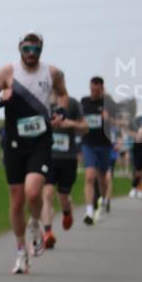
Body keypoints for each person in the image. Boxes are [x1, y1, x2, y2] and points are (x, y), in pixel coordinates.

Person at [0, 32, 68, 275]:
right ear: (20, 48)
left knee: (32, 191)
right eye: (27, 48)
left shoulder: (52, 73)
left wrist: (61, 111)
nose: (31, 53)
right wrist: (0, 99)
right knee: (17, 200)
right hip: (14, 142)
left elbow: (63, 93)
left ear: (41, 50)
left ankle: (37, 224)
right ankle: (21, 251)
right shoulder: (8, 72)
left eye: (36, 49)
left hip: (40, 140)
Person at [41, 93, 87, 249]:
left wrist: (72, 124)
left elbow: (85, 128)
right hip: (47, 157)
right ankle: (47, 233)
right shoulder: (43, 102)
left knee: (63, 198)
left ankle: (67, 212)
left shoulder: (73, 104)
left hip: (68, 159)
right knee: (46, 194)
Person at [80, 77, 119, 225]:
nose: (94, 92)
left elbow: (120, 122)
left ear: (101, 88)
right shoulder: (84, 101)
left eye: (97, 90)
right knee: (90, 176)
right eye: (92, 89)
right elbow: (80, 119)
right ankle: (89, 210)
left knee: (103, 178)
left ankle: (102, 201)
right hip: (88, 143)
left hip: (104, 144)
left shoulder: (108, 103)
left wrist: (109, 119)